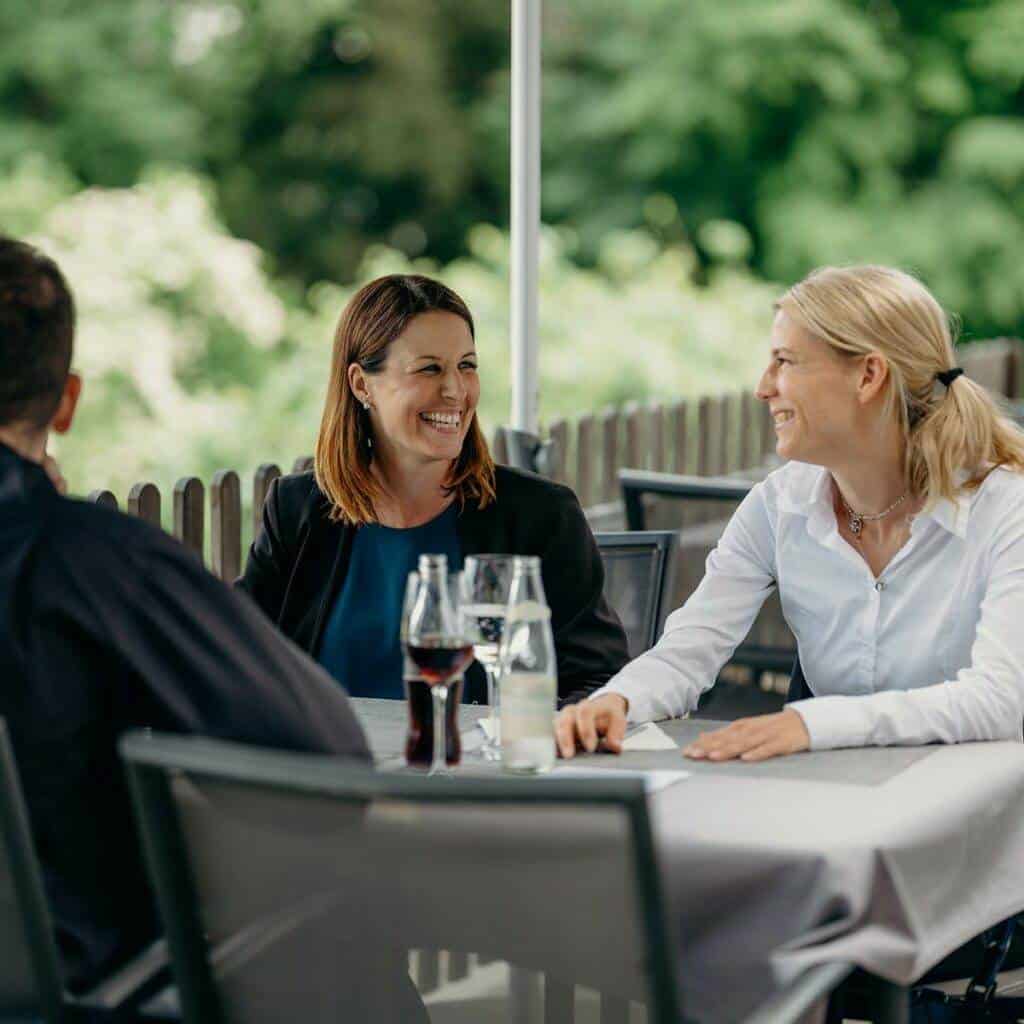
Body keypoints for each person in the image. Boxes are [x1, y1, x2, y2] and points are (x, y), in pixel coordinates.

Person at [0, 236, 372, 993]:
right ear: (67, 402)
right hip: (79, 987)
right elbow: (328, 758)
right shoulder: (92, 561)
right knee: (351, 941)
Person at [557, 264, 1024, 762]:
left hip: (980, 813)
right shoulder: (778, 505)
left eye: (785, 361)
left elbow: (999, 701)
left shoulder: (1005, 509)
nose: (763, 387)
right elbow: (688, 653)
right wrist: (617, 700)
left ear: (868, 375)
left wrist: (811, 722)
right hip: (837, 797)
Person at [238, 273, 629, 706]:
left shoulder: (540, 515)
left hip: (479, 769)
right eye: (430, 369)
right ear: (361, 384)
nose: (455, 390)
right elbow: (235, 655)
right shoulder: (298, 511)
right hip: (329, 768)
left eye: (467, 365)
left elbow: (599, 680)